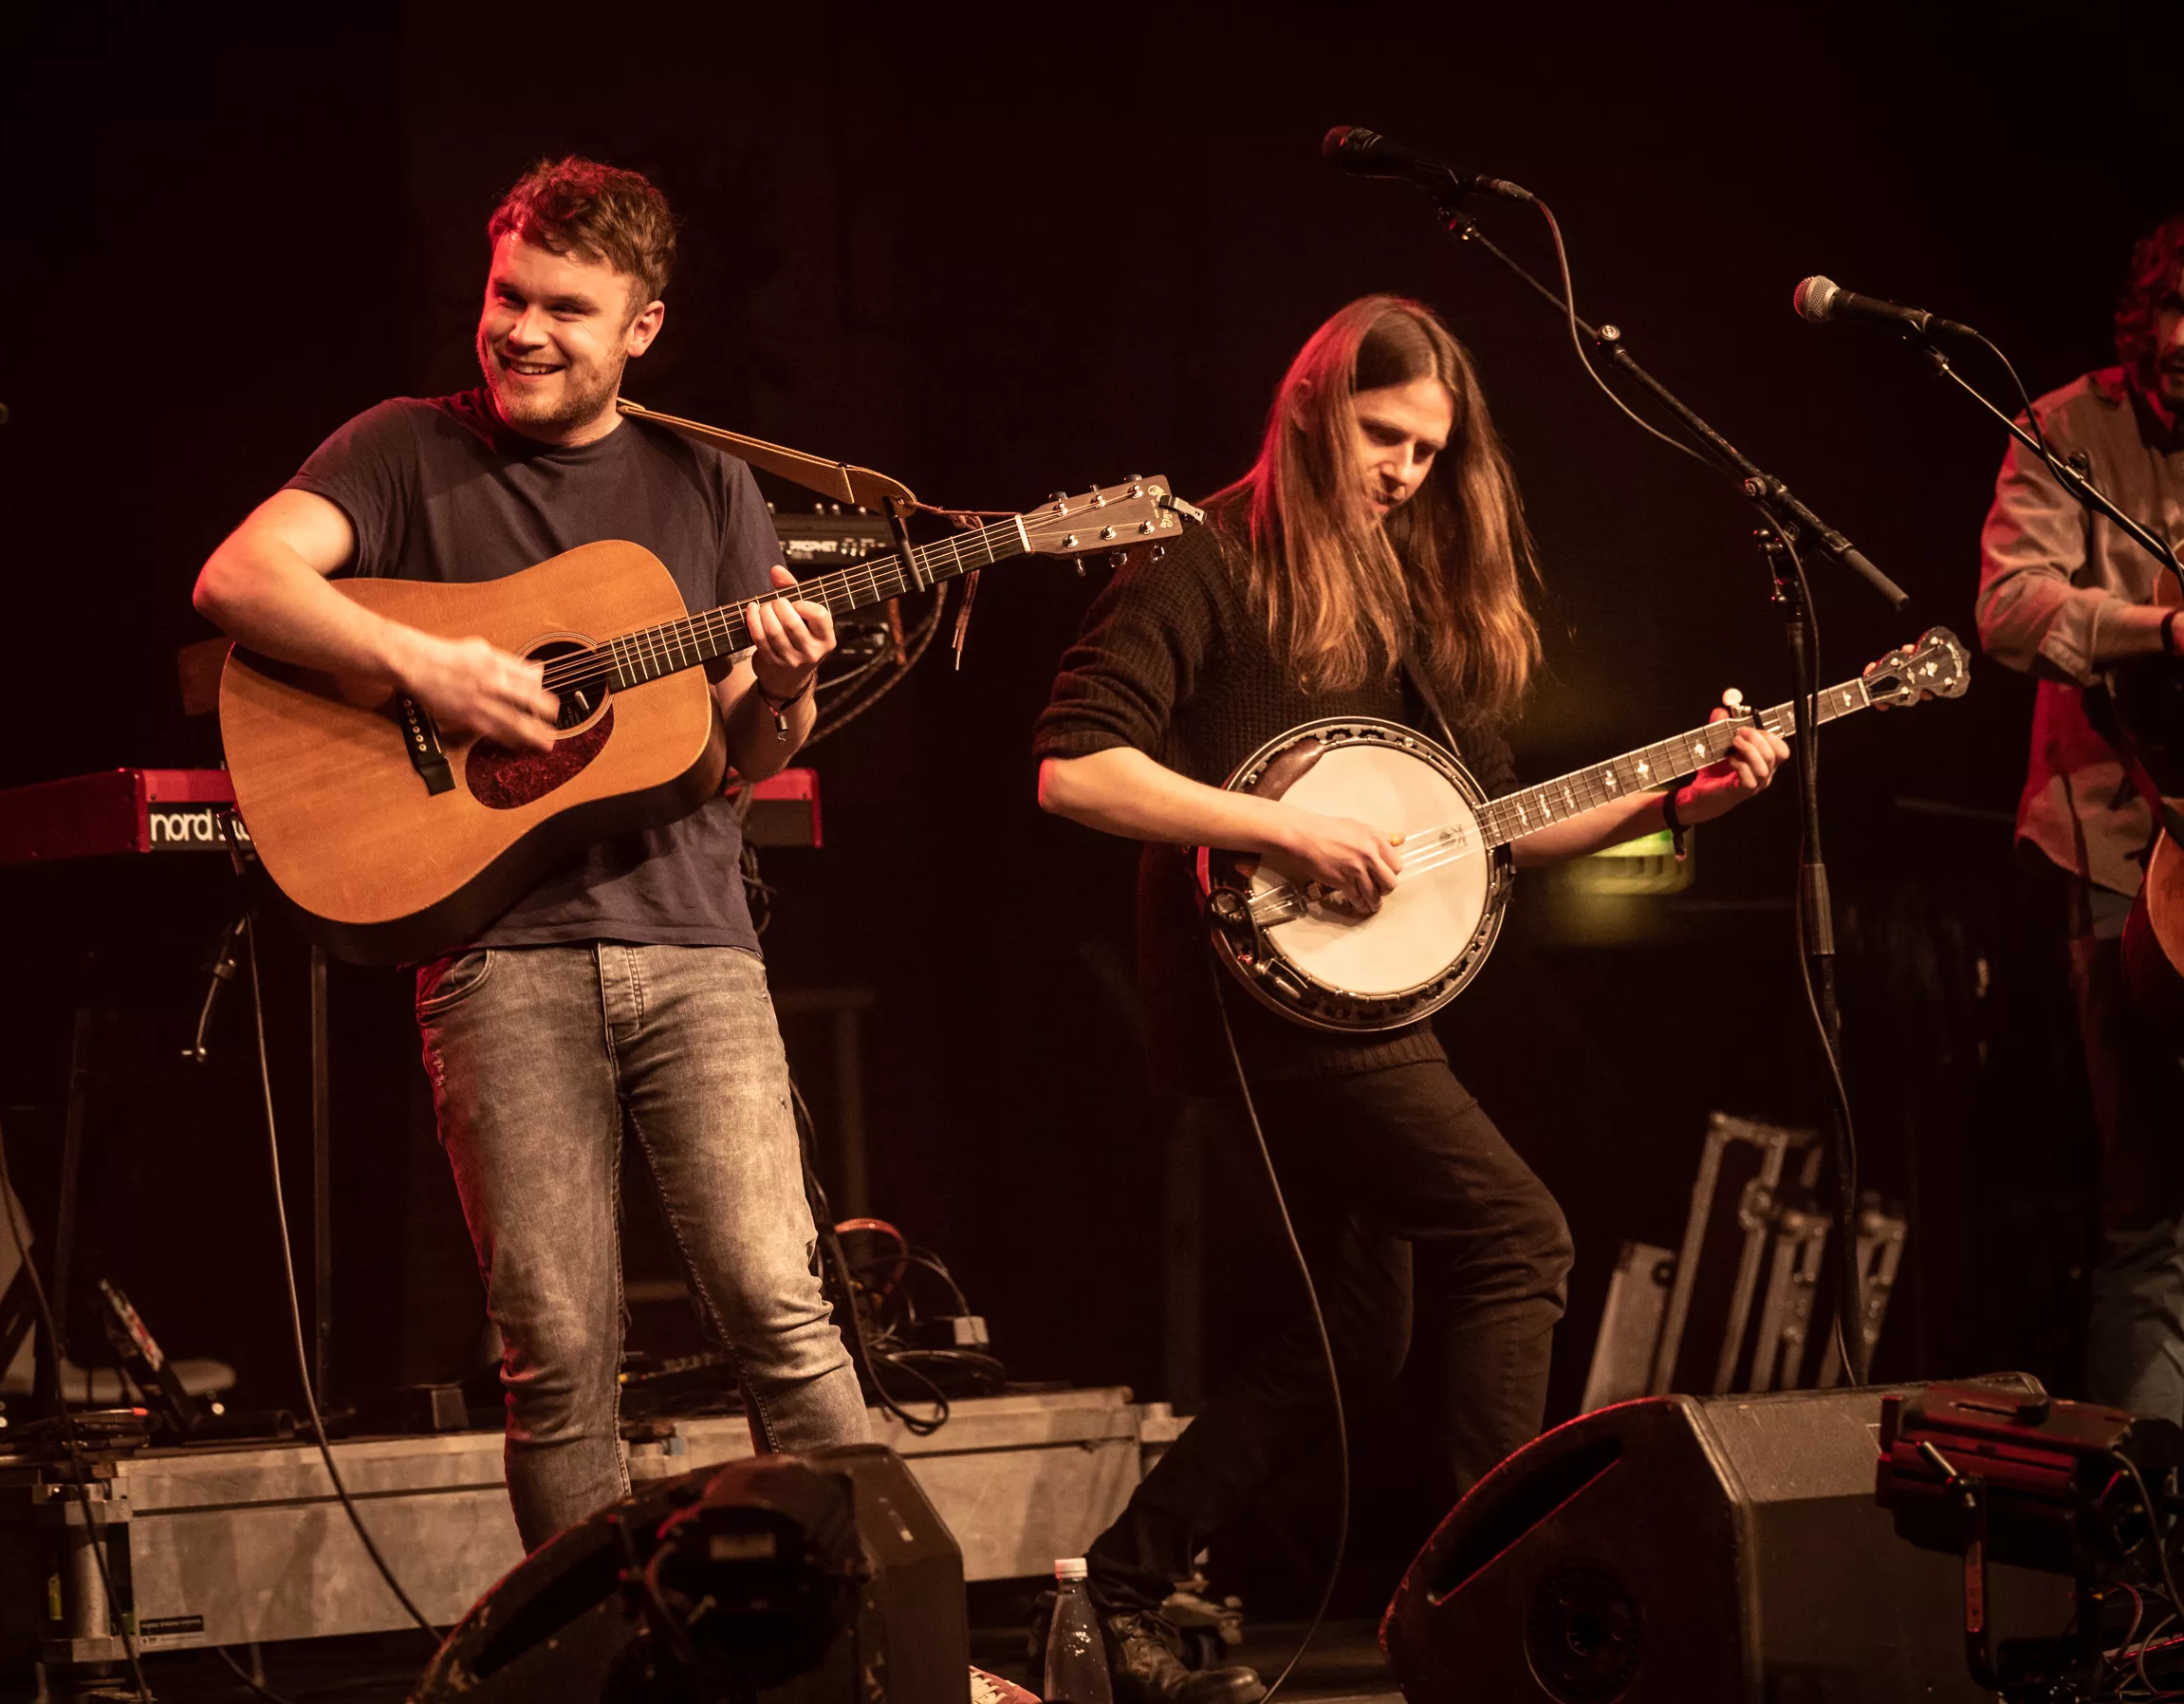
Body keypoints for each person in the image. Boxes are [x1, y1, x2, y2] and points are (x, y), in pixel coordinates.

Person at [1031, 296, 1791, 1703]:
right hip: (1252, 994)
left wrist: (1677, 797)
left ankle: (1117, 1588)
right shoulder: (1201, 559)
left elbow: (1488, 821)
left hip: (1356, 1004)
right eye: (1383, 436)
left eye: (1428, 452)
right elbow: (1075, 768)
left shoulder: (1395, 587)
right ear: (1313, 407)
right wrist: (1278, 832)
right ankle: (1491, 1610)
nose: (1400, 471)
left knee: (1345, 1343)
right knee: (1515, 1234)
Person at [192, 157, 868, 1547]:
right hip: (500, 963)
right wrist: (425, 672)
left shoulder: (710, 485)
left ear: (642, 327)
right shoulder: (399, 448)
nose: (520, 330)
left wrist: (790, 685)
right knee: (557, 1358)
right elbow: (238, 581)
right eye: (507, 294)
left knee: (780, 1314)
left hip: (693, 947)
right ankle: (593, 1661)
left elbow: (733, 758)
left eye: (565, 306)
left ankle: (878, 1641)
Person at [1975, 214, 2184, 1422]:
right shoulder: (2063, 425)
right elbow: (2006, 608)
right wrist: (2157, 629)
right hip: (2118, 845)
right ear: (2146, 315)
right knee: (2150, 1210)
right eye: (2174, 325)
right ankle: (2157, 1564)